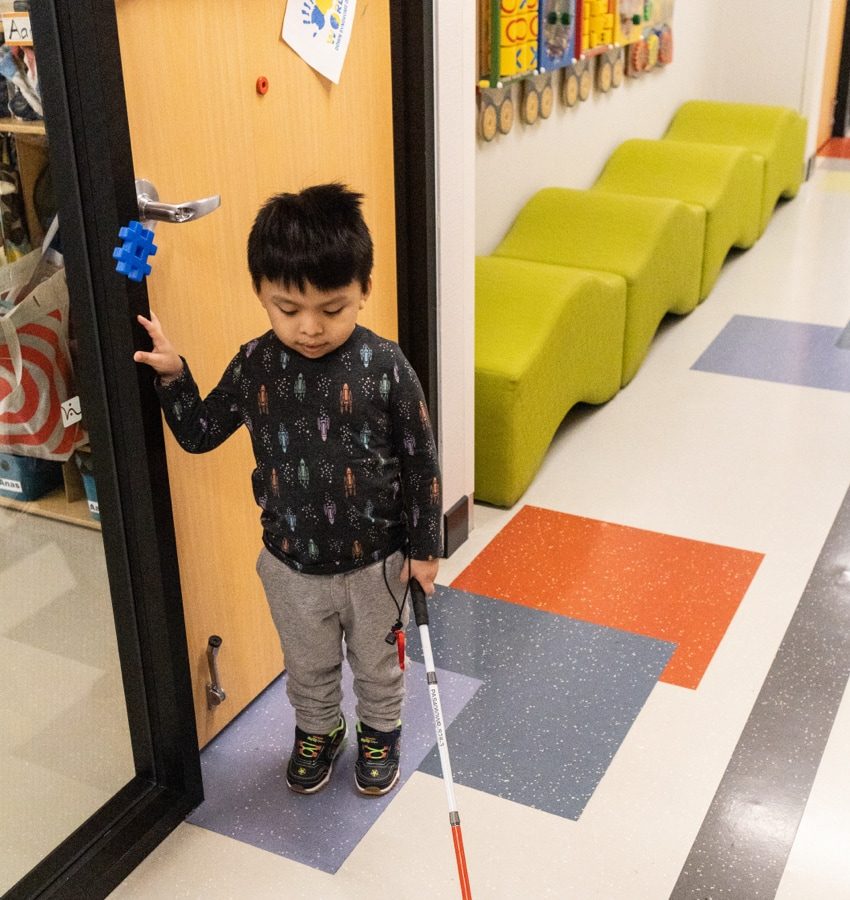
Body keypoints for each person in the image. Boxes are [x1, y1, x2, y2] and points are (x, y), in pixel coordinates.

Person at [133, 183, 442, 796]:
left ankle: (381, 731)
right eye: (287, 309)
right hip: (289, 562)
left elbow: (421, 461)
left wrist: (426, 549)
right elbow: (199, 433)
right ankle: (318, 730)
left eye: (333, 310)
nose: (309, 328)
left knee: (377, 664)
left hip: (377, 561)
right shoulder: (255, 365)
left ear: (364, 291)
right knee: (307, 664)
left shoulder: (385, 365)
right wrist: (175, 376)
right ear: (260, 294)